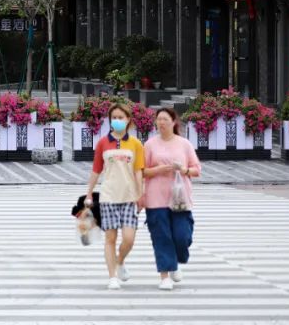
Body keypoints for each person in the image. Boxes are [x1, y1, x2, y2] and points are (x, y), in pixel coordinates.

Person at [83, 103, 145, 290]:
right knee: (110, 237)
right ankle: (112, 277)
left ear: (128, 120)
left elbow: (138, 171)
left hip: (129, 197)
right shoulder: (103, 142)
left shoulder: (136, 144)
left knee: (129, 238)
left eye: (121, 117)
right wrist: (89, 193)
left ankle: (120, 261)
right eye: (114, 118)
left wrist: (140, 194)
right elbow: (96, 170)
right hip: (108, 196)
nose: (117, 121)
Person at [142, 107, 201, 291]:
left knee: (182, 236)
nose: (161, 123)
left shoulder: (184, 144)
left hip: (179, 199)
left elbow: (196, 169)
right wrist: (160, 169)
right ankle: (165, 275)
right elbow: (142, 171)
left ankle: (175, 260)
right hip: (155, 198)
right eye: (158, 119)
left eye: (165, 119)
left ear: (174, 122)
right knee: (162, 237)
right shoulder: (150, 145)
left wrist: (183, 170)